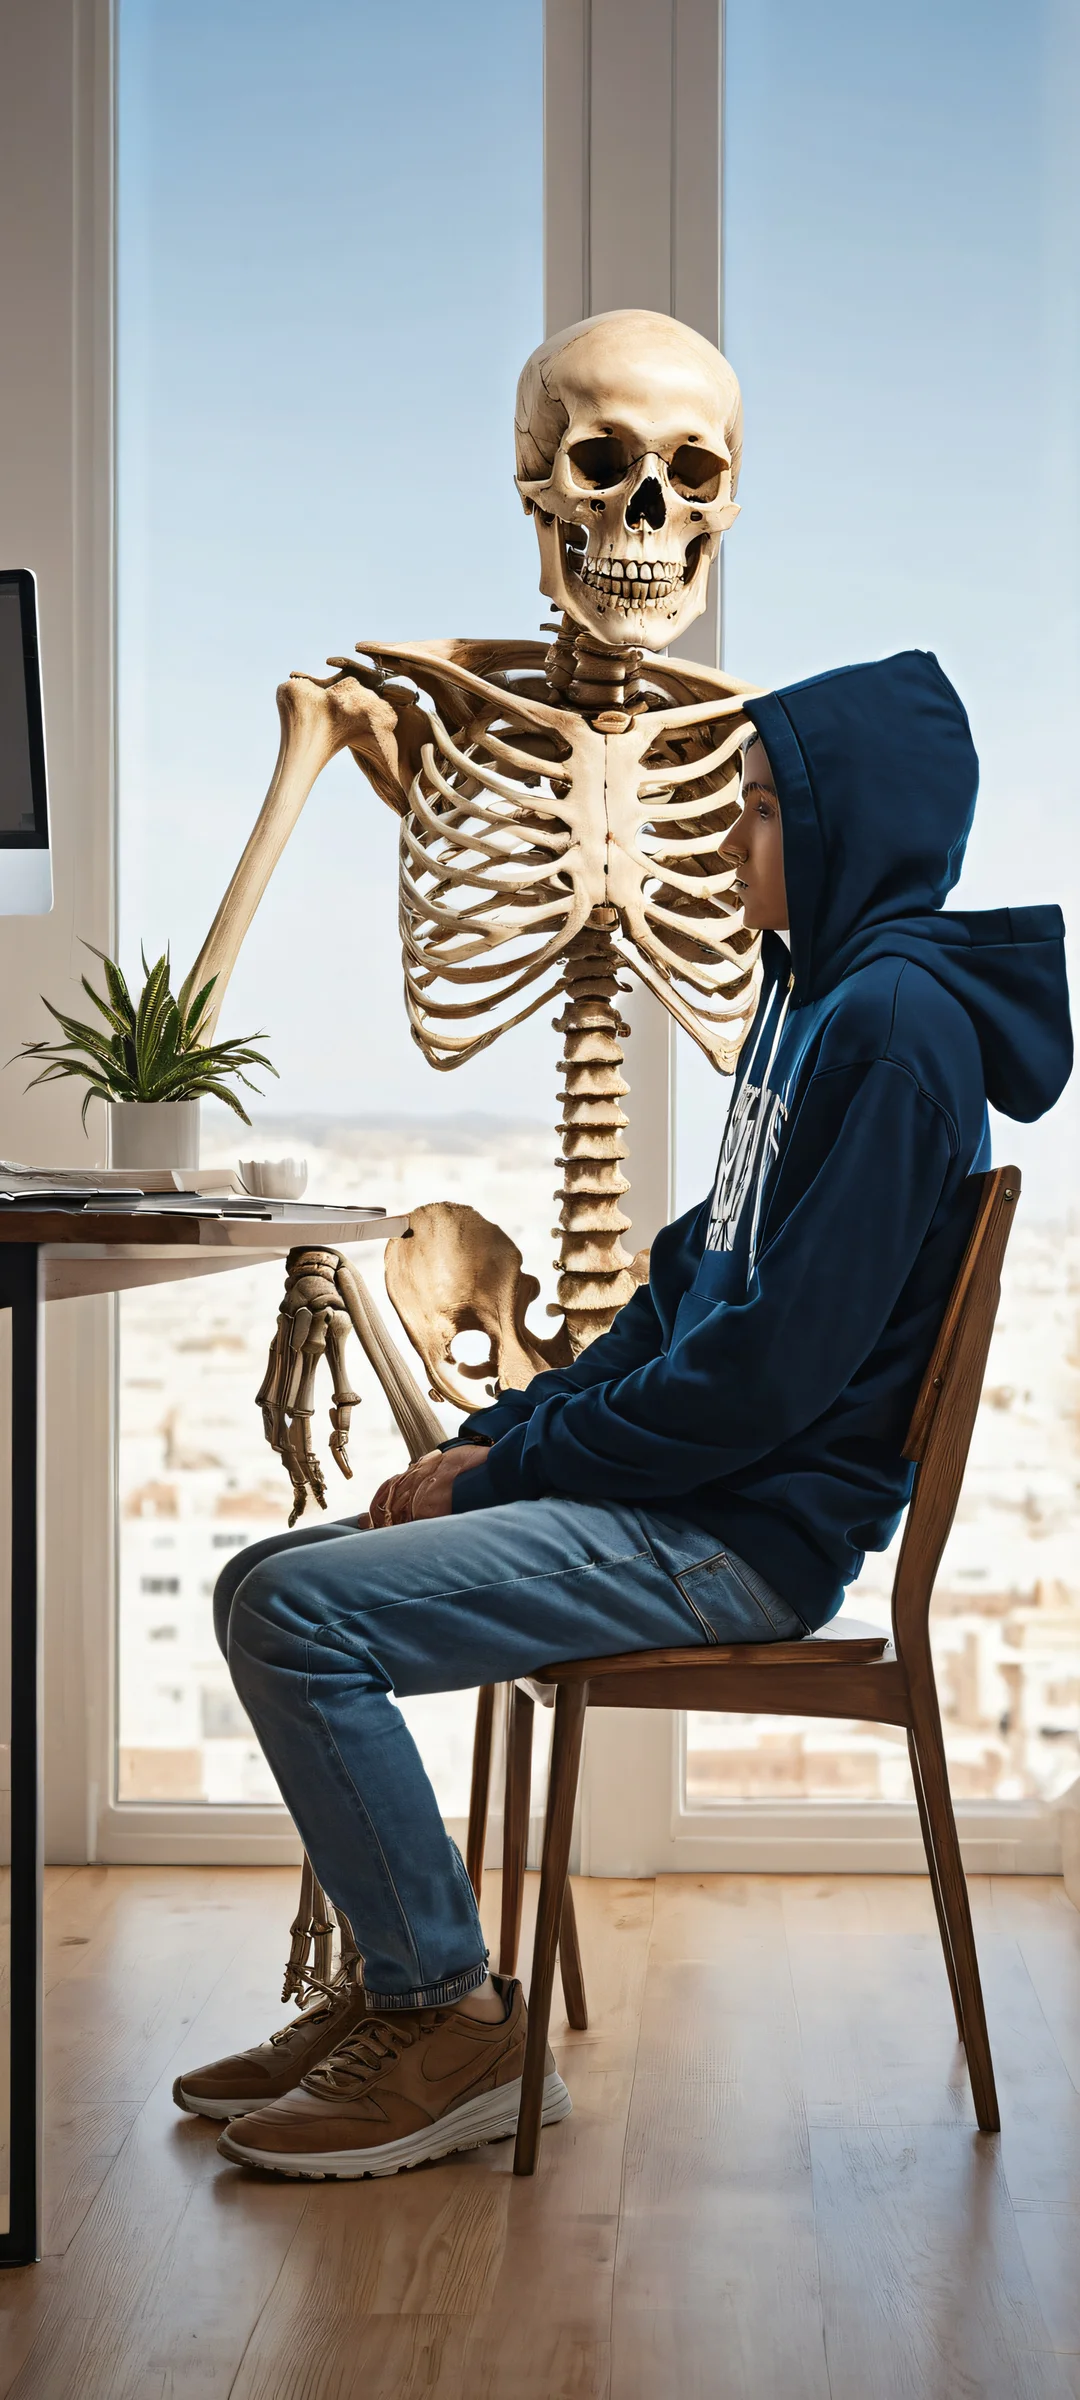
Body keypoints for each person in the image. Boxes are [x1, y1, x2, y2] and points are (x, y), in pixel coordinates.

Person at [178, 649, 1070, 2180]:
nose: (729, 842)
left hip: (737, 1543)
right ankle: (400, 1984)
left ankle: (448, 2020)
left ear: (849, 827)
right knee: (260, 1580)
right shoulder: (812, 999)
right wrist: (508, 1434)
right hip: (682, 1501)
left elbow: (765, 1381)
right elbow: (681, 1295)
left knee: (294, 1618)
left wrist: (500, 1474)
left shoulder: (894, 1034)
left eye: (763, 811)